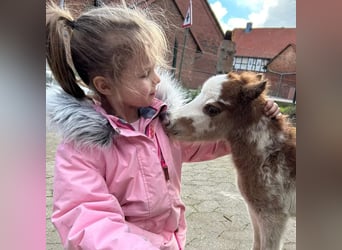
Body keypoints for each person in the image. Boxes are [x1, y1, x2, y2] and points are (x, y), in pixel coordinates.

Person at [46, 2, 281, 250]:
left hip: (169, 241)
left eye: (154, 69)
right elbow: (86, 219)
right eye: (145, 73)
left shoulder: (159, 120)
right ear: (105, 85)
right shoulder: (82, 149)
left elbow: (200, 143)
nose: (157, 79)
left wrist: (251, 126)